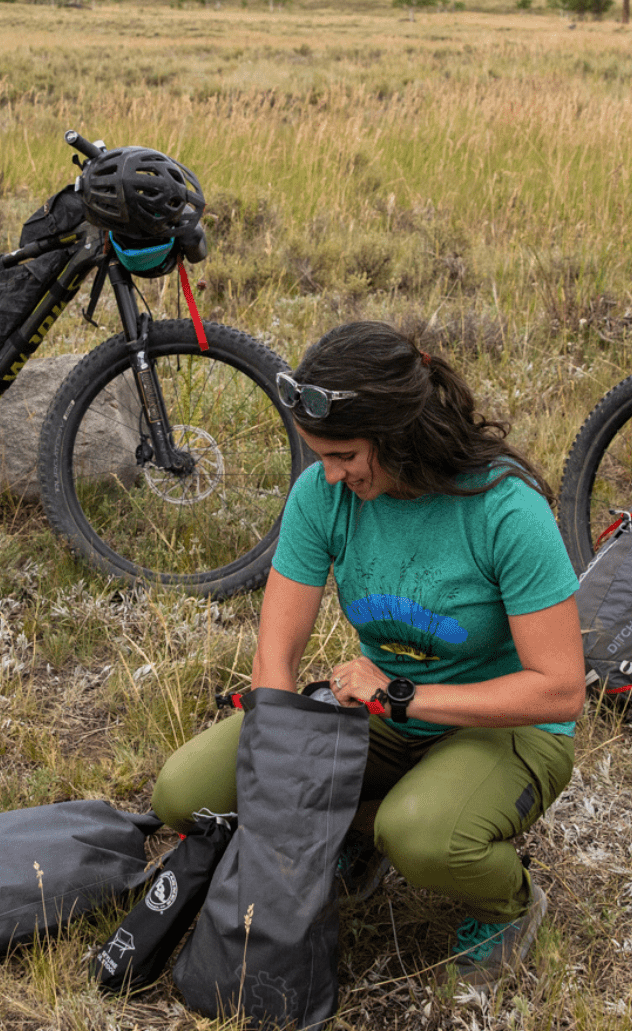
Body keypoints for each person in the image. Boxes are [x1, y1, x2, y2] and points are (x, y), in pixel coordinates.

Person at [150, 321, 584, 989]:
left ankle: (509, 905)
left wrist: (409, 698)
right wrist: (278, 773)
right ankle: (353, 829)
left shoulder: (504, 509)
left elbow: (559, 689)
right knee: (184, 792)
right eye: (319, 455)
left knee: (420, 834)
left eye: (344, 454)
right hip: (379, 716)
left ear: (398, 433)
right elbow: (277, 659)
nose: (330, 474)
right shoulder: (323, 494)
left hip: (507, 726)